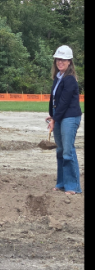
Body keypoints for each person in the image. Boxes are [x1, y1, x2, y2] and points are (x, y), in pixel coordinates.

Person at [46, 45, 82, 195]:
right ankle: (61, 183)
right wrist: (51, 115)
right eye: (58, 60)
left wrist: (55, 119)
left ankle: (73, 186)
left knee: (68, 151)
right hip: (60, 116)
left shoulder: (70, 80)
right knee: (60, 151)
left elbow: (65, 102)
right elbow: (54, 99)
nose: (60, 62)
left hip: (70, 117)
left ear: (69, 62)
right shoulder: (58, 78)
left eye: (63, 60)